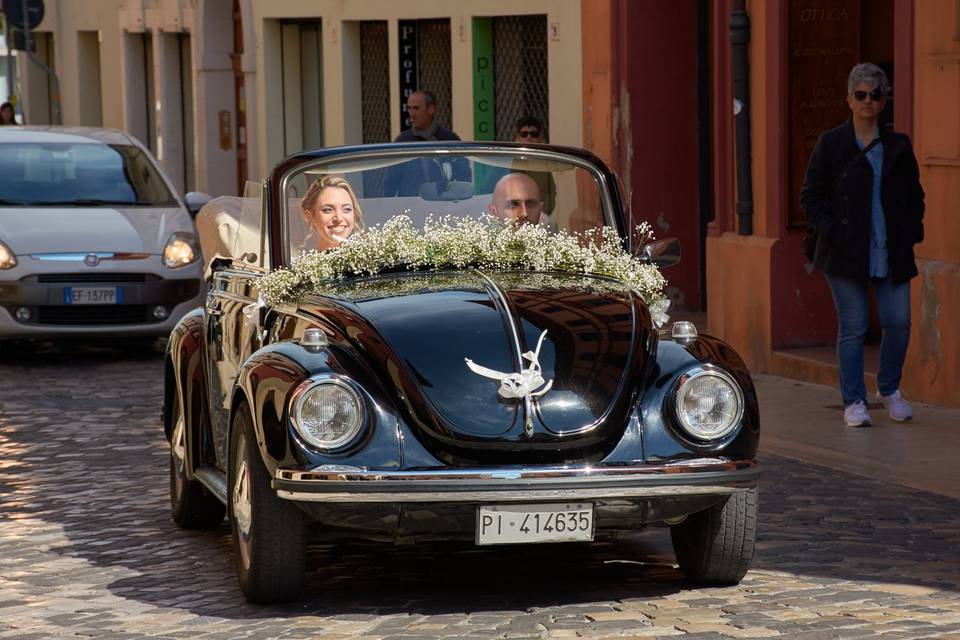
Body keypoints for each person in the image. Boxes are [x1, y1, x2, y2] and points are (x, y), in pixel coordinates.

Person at [799, 62, 925, 428]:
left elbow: (915, 196)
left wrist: (912, 229)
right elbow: (811, 196)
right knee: (853, 327)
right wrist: (833, 232)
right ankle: (854, 400)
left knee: (898, 322)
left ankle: (890, 389)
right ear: (849, 100)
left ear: (884, 102)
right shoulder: (832, 144)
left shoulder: (898, 146)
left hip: (891, 249)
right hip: (844, 252)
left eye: (875, 94)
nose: (868, 101)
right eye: (861, 94)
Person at [382, 90, 469, 196]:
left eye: (416, 108)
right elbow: (390, 182)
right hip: (410, 205)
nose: (412, 114)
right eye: (409, 108)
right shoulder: (403, 141)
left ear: (431, 109)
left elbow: (464, 176)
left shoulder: (448, 139)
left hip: (442, 204)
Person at [482, 116, 556, 214]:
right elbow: (487, 190)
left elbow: (550, 193)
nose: (529, 138)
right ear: (517, 138)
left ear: (540, 138)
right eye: (524, 134)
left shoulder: (543, 165)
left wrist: (541, 214)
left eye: (534, 134)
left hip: (536, 219)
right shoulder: (505, 163)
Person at [300, 176, 363, 251]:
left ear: (354, 214)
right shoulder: (306, 262)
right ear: (309, 216)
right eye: (327, 210)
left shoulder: (371, 258)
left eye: (347, 209)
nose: (339, 218)